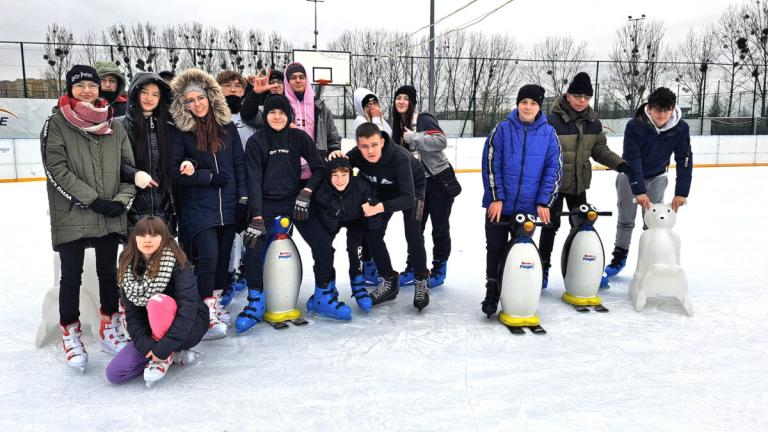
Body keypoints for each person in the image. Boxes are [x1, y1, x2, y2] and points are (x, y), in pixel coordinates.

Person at [40, 64, 135, 371]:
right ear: (70, 89)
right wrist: (93, 201)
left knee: (109, 273)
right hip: (73, 212)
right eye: (80, 86)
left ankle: (110, 325)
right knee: (72, 277)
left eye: (92, 86)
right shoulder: (56, 123)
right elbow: (56, 170)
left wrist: (119, 202)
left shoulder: (113, 124)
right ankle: (71, 332)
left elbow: (128, 169)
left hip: (108, 212)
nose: (87, 91)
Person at [236, 95, 342, 333]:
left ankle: (323, 295)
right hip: (265, 202)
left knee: (323, 243)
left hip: (295, 200)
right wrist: (255, 215)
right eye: (272, 112)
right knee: (253, 245)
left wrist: (306, 192)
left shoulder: (298, 137)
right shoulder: (256, 141)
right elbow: (252, 179)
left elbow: (319, 167)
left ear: (289, 116)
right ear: (266, 116)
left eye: (282, 113)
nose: (277, 117)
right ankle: (255, 302)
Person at [170, 68, 247, 340]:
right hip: (199, 207)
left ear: (211, 98)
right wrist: (208, 177)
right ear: (183, 105)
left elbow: (238, 165)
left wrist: (243, 199)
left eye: (199, 98)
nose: (196, 104)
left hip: (227, 206)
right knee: (208, 258)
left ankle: (213, 305)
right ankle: (205, 312)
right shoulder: (182, 133)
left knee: (223, 259)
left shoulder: (227, 129)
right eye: (189, 101)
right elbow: (176, 171)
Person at [539, 72, 630, 288]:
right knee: (550, 226)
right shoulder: (550, 121)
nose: (582, 101)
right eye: (577, 96)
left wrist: (621, 164)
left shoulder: (593, 123)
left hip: (578, 184)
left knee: (581, 224)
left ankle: (582, 268)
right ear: (568, 95)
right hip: (553, 185)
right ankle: (542, 269)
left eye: (586, 97)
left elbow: (599, 150)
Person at [480, 84, 562, 317]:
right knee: (495, 248)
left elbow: (553, 169)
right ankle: (492, 292)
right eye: (524, 102)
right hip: (500, 205)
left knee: (519, 253)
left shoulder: (549, 134)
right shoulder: (503, 129)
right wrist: (496, 198)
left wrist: (543, 202)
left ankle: (516, 293)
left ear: (539, 107)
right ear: (517, 104)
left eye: (533, 103)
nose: (528, 107)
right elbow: (490, 164)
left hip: (527, 207)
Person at [329, 122, 430, 312]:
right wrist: (335, 156)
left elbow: (407, 199)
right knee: (372, 233)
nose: (370, 150)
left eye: (374, 145)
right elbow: (339, 168)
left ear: (382, 141)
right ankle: (389, 281)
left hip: (412, 190)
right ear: (358, 146)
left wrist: (380, 207)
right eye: (365, 146)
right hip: (382, 190)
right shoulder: (356, 155)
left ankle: (421, 279)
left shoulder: (399, 158)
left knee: (413, 233)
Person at [602, 87, 692, 284]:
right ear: (649, 109)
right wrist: (639, 190)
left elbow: (684, 158)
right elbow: (632, 158)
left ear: (672, 109)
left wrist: (681, 193)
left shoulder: (680, 128)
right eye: (657, 110)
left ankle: (650, 261)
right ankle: (619, 258)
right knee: (626, 219)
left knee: (652, 223)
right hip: (630, 175)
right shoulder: (635, 126)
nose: (662, 115)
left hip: (658, 176)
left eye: (666, 110)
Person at [105, 216, 208, 386]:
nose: (147, 240)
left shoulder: (177, 262)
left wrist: (163, 348)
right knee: (115, 373)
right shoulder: (127, 268)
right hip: (150, 332)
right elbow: (133, 315)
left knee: (157, 302)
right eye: (142, 235)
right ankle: (173, 355)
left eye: (154, 235)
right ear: (134, 238)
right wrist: (147, 346)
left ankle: (163, 357)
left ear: (164, 238)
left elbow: (188, 310)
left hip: (189, 326)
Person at [390, 85, 460, 289]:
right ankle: (414, 267)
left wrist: (414, 138)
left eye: (405, 98)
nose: (401, 101)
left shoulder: (423, 119)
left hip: (438, 182)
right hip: (417, 186)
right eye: (398, 98)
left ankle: (439, 269)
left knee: (439, 228)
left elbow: (441, 140)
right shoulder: (398, 125)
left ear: (412, 102)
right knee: (415, 228)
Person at [311, 156, 378, 312]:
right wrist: (332, 213)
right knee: (323, 248)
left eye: (344, 175)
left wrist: (372, 214)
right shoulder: (321, 193)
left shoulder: (362, 187)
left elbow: (375, 224)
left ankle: (358, 283)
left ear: (350, 174)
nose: (340, 180)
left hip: (355, 220)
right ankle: (328, 284)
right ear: (328, 176)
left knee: (354, 246)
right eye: (335, 175)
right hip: (334, 220)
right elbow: (327, 227)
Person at [118, 72, 177, 234]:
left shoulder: (170, 127)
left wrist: (189, 162)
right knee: (135, 257)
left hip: (164, 210)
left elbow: (180, 157)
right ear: (135, 93)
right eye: (144, 92)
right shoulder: (119, 126)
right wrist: (134, 174)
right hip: (131, 208)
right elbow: (111, 162)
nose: (149, 98)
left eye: (155, 94)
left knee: (163, 258)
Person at [283, 62, 342, 158]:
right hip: (289, 164)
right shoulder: (281, 106)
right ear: (287, 82)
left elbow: (333, 138)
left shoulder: (320, 107)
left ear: (307, 80)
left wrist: (334, 151)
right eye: (293, 78)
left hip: (316, 166)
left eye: (301, 77)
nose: (298, 80)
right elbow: (254, 118)